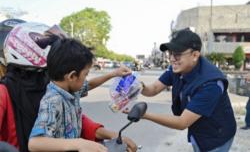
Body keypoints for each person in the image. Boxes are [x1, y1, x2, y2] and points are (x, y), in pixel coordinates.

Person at [0, 21, 136, 152]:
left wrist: (111, 135)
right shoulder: (9, 93)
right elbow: (36, 142)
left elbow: (73, 119)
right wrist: (78, 143)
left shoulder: (56, 86)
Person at [138, 28, 236, 152]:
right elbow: (154, 88)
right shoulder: (177, 68)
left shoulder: (211, 83)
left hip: (216, 136)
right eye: (170, 53)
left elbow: (182, 122)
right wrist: (138, 86)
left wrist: (145, 115)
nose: (172, 59)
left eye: (177, 54)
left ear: (195, 55)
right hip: (197, 129)